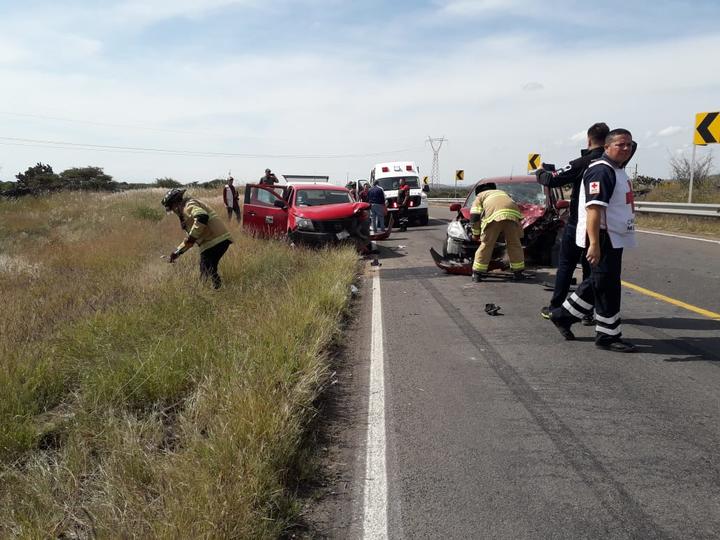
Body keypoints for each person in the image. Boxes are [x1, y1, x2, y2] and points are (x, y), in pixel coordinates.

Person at [549, 129, 637, 352]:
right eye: (620, 145)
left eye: (629, 144)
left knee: (604, 283)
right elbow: (594, 210)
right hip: (602, 236)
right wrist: (595, 244)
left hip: (614, 237)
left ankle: (589, 326)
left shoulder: (617, 170)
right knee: (602, 283)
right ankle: (569, 318)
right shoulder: (601, 171)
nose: (626, 149)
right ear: (607, 146)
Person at [536, 122, 609, 323]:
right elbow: (633, 145)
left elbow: (550, 180)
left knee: (566, 266)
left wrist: (540, 171)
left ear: (588, 139)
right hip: (603, 226)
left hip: (579, 223)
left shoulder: (583, 163)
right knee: (590, 270)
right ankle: (586, 311)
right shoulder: (613, 162)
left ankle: (556, 307)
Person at [161, 188, 232, 289]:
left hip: (213, 241)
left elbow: (202, 217)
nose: (173, 211)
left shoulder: (188, 205)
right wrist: (177, 253)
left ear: (175, 203)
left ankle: (210, 292)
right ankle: (215, 291)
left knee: (206, 270)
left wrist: (192, 237)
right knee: (209, 269)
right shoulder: (186, 208)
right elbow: (191, 238)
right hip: (217, 240)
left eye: (171, 208)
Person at [470, 182, 525, 282]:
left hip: (494, 217)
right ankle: (518, 272)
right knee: (514, 244)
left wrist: (476, 234)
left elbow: (474, 216)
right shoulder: (503, 193)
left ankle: (477, 273)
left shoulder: (480, 196)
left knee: (487, 244)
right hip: (512, 215)